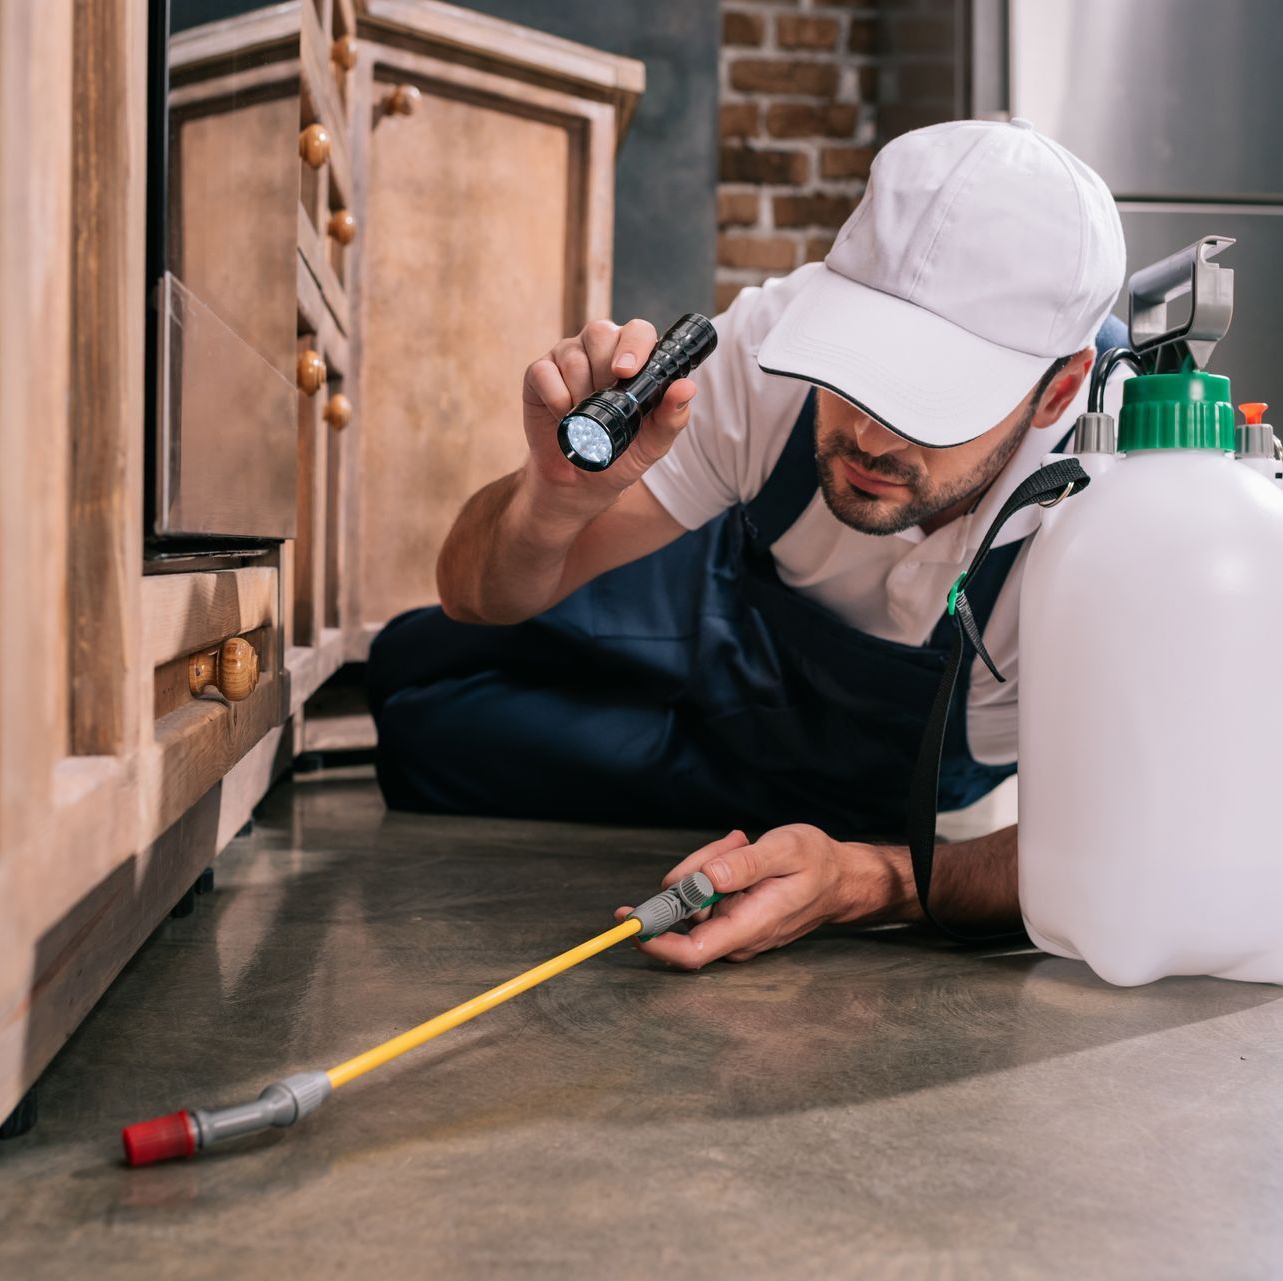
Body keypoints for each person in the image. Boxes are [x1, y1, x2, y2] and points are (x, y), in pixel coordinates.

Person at [367, 119, 1128, 966]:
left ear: (1057, 392)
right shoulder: (770, 341)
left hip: (868, 773)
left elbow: (1124, 849)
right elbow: (474, 593)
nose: (871, 433)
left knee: (430, 744)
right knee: (412, 657)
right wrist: (549, 502)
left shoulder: (1125, 518)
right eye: (855, 367)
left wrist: (868, 879)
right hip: (730, 601)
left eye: (930, 400)